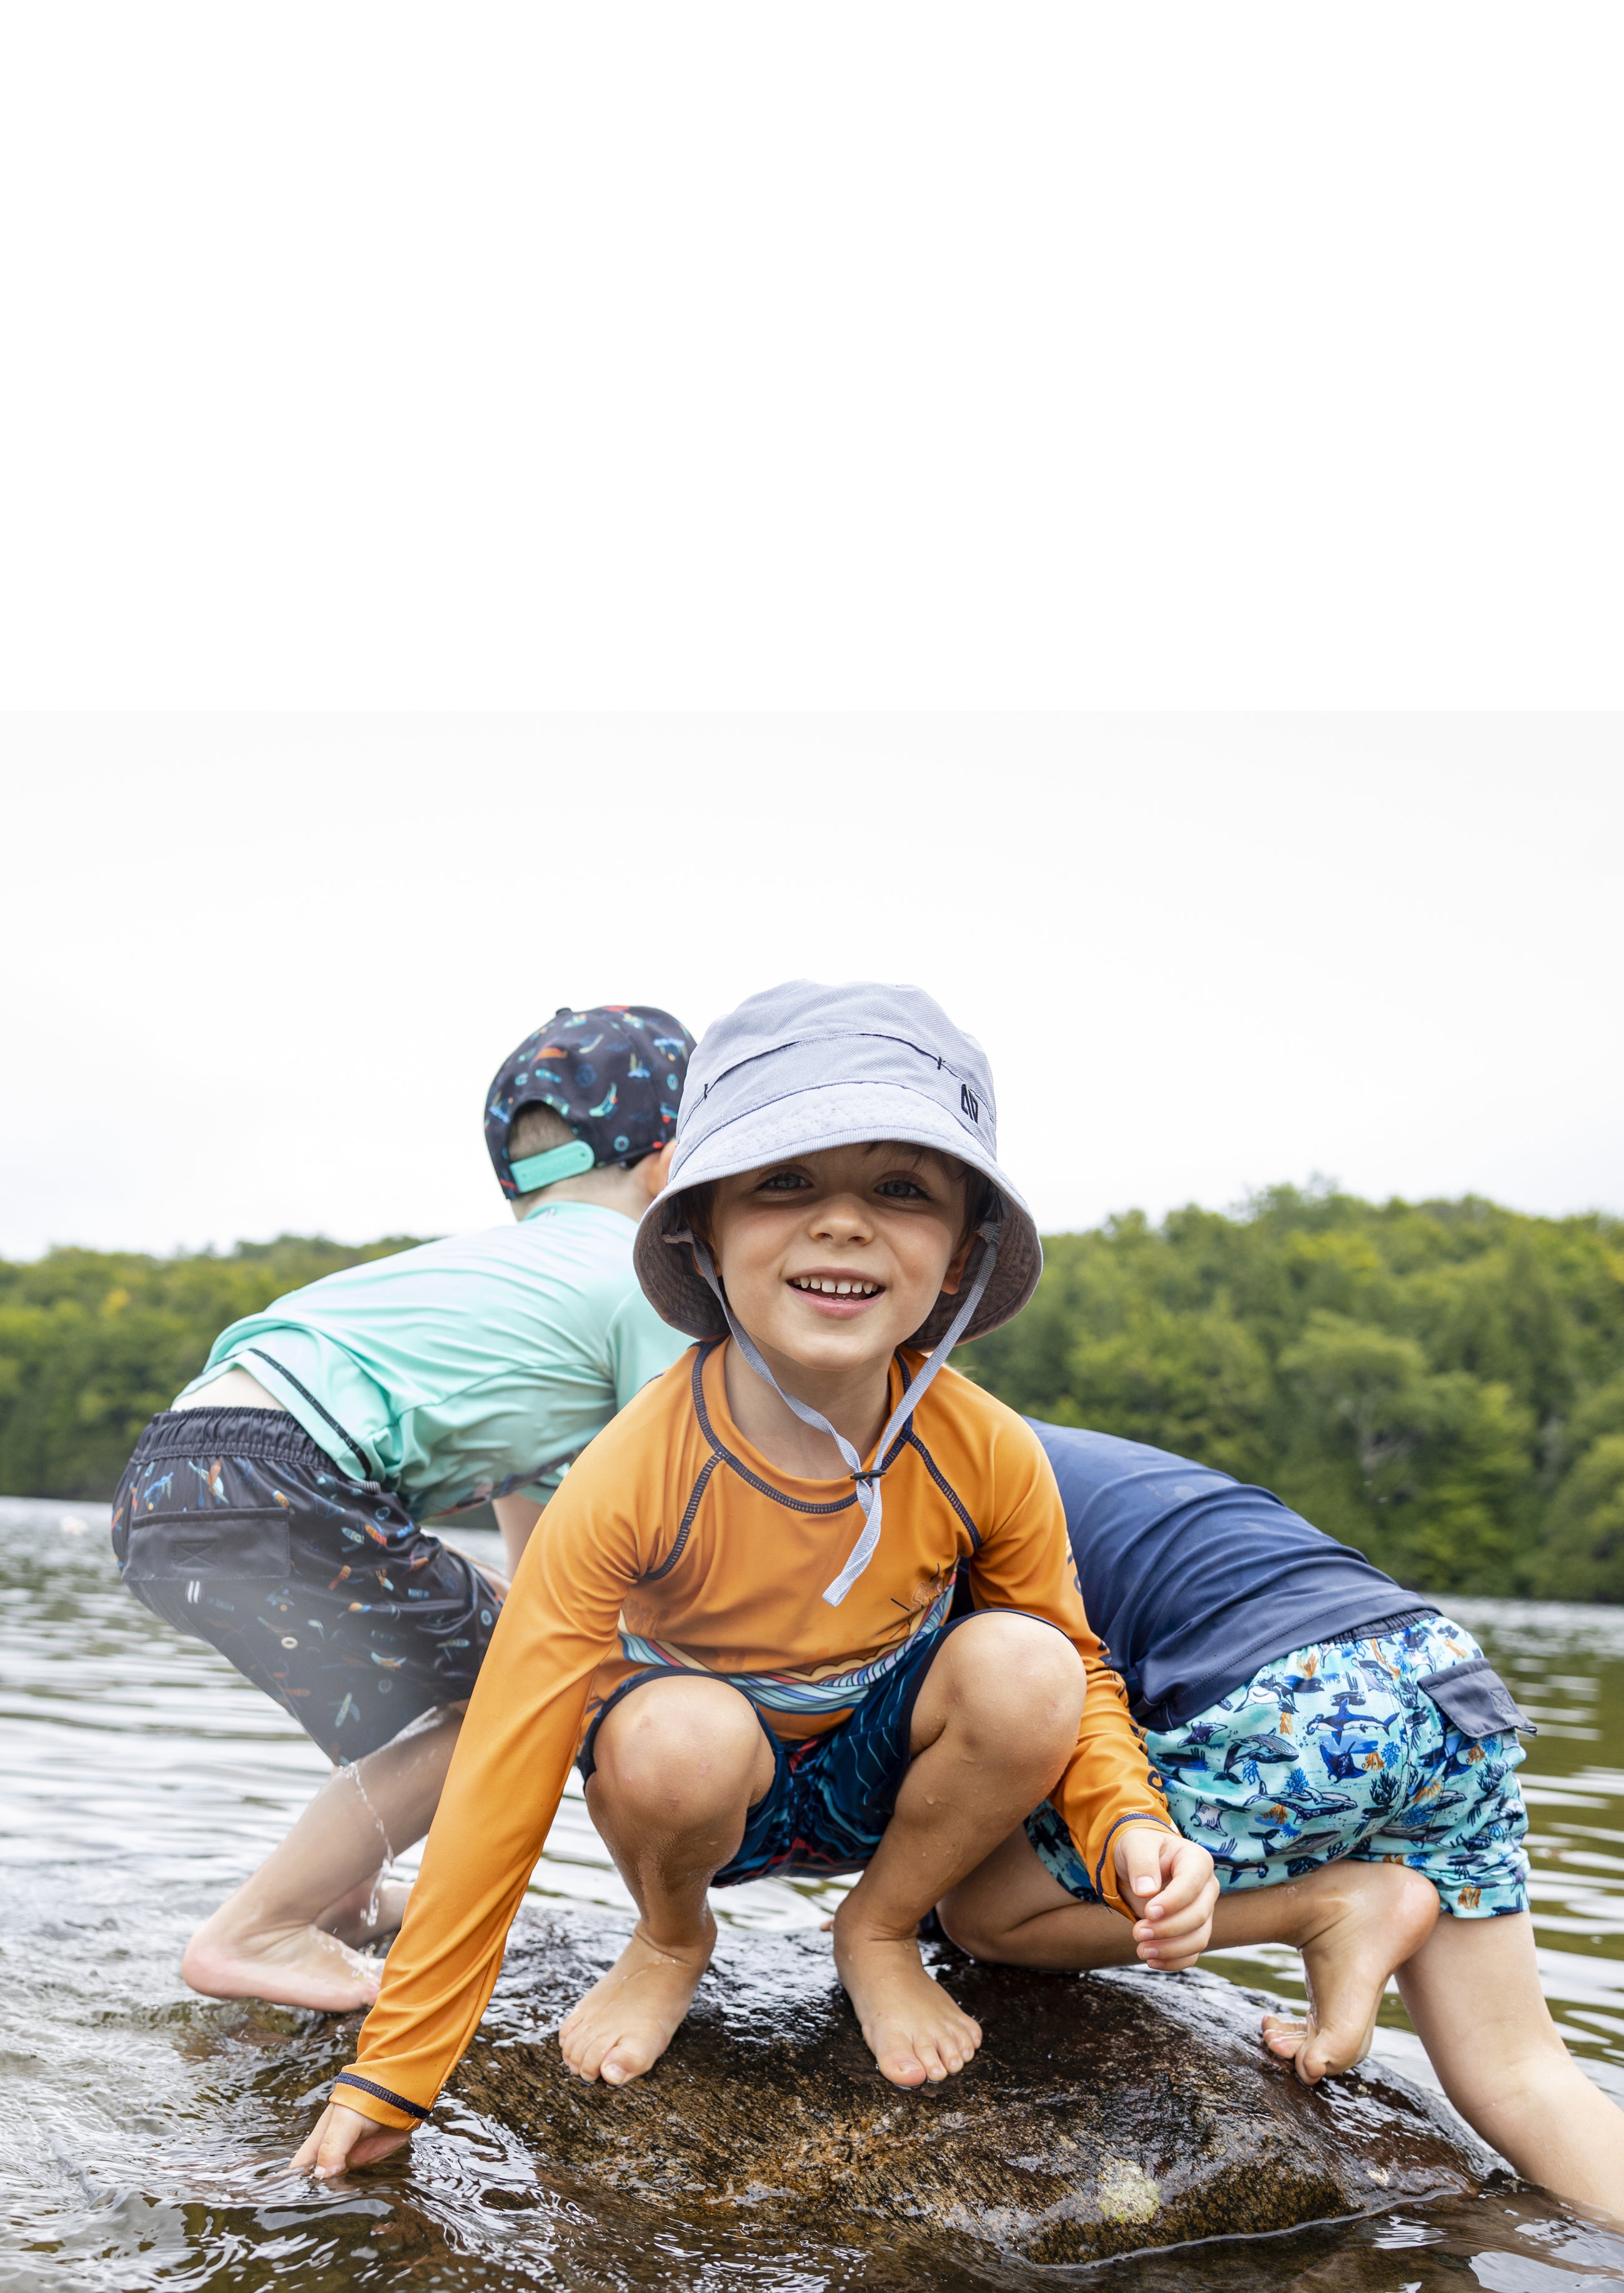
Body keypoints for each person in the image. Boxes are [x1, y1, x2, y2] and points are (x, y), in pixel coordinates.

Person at [293, 981, 1217, 2178]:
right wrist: (402, 2064)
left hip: (882, 1776)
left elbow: (1080, 1674)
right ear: (702, 1233)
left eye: (901, 1188)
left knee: (1030, 1667)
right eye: (785, 1182)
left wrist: (1131, 1826)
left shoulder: (986, 1448)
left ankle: (878, 1930)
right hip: (694, 1790)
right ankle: (673, 1939)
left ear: (961, 1258)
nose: (842, 1226)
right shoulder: (636, 1464)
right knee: (679, 1735)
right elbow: (512, 1751)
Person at [112, 1004, 695, 2014]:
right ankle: (260, 1930)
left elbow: (538, 1560)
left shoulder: (496, 1276)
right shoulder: (645, 1282)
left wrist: (523, 1635)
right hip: (282, 1471)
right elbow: (689, 1485)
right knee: (522, 1699)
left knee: (435, 1682)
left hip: (172, 1476)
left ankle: (334, 1894)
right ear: (677, 1163)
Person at [939, 1424, 1624, 2217]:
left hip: (1291, 1702)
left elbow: (975, 1728)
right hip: (1438, 1674)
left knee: (982, 1914)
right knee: (1522, 2072)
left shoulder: (925, 1460)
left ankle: (1328, 1907)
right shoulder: (1022, 1434)